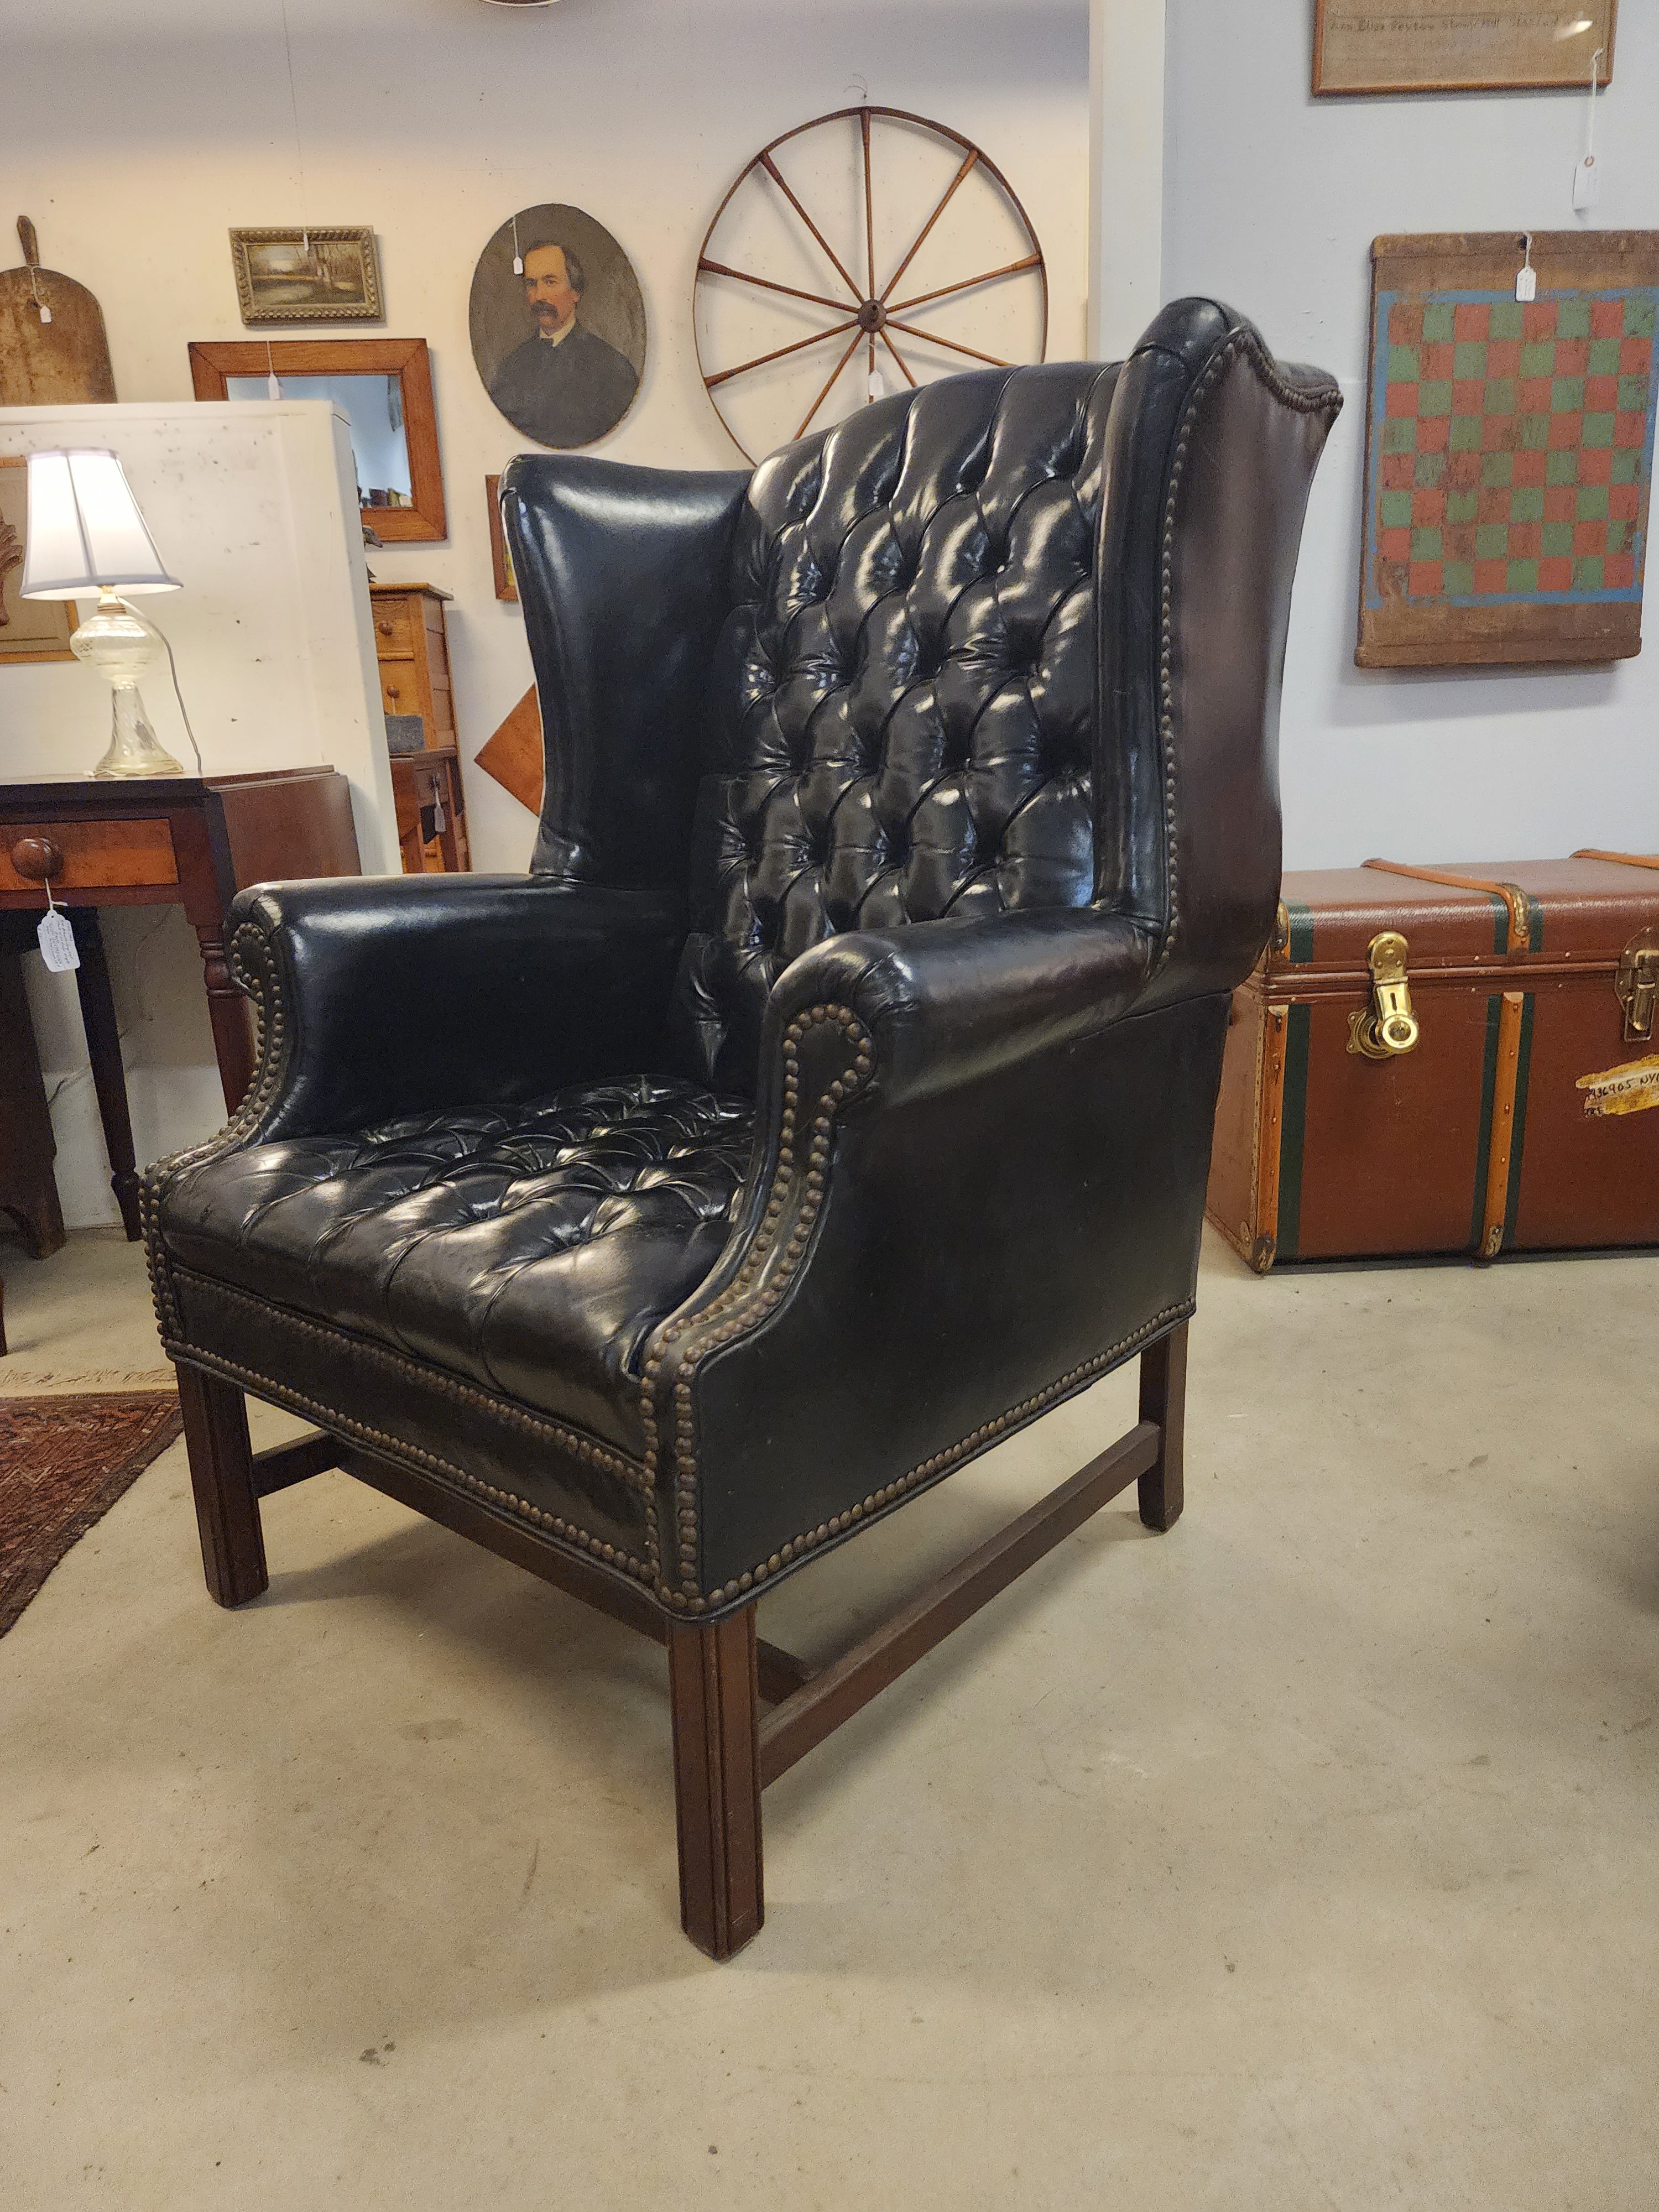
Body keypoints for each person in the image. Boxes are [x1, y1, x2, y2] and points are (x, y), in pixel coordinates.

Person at [488, 242, 639, 448]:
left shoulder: (612, 367)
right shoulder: (511, 367)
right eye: (532, 284)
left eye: (550, 282)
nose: (540, 296)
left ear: (575, 292)